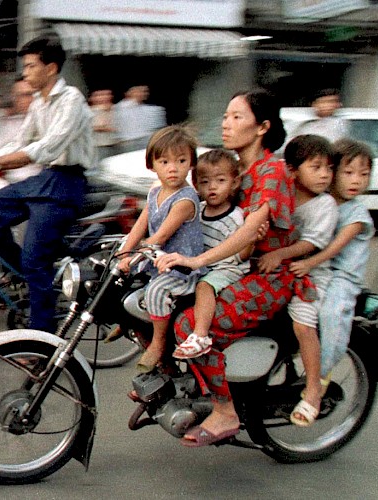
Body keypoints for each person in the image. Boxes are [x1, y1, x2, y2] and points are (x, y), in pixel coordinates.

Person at [155, 89, 315, 447]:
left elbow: (247, 231)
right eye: (226, 116)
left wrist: (197, 260)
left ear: (263, 127)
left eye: (237, 117)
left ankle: (225, 410)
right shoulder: (234, 169)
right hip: (237, 269)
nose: (226, 124)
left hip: (268, 277)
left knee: (189, 325)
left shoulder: (271, 171)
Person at [0, 35, 94, 332]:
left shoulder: (72, 100)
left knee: (36, 260)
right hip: (45, 180)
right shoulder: (39, 102)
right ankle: (25, 272)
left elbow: (48, 147)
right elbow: (21, 139)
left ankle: (42, 342)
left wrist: (1, 162)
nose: (25, 73)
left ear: (50, 68)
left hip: (67, 183)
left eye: (30, 66)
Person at [259, 134, 337, 426]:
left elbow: (313, 243)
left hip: (311, 274)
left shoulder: (324, 205)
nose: (324, 175)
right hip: (278, 269)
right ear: (292, 170)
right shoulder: (284, 193)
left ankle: (314, 389)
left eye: (328, 168)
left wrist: (280, 254)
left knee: (303, 324)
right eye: (316, 167)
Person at [117, 125, 204, 373]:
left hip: (180, 269)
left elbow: (160, 235)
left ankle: (158, 343)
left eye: (181, 160)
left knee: (155, 291)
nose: (173, 168)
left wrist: (135, 257)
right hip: (158, 262)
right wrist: (124, 252)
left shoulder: (186, 199)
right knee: (123, 285)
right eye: (164, 161)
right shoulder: (155, 192)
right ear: (152, 165)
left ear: (191, 163)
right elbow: (139, 227)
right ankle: (127, 323)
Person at [290, 139, 374, 382]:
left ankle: (321, 374)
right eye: (348, 173)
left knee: (331, 315)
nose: (356, 180)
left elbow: (335, 247)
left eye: (363, 174)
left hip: (343, 276)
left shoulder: (357, 214)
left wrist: (309, 263)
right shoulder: (321, 200)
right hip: (320, 269)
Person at [172, 149, 252, 359]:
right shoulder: (199, 209)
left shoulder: (236, 217)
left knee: (204, 286)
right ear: (196, 185)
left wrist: (252, 241)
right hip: (204, 265)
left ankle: (200, 335)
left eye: (220, 180)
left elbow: (241, 254)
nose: (212, 187)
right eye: (205, 182)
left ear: (234, 183)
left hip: (228, 267)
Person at [114, 85, 166, 154]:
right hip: (129, 142)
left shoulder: (152, 109)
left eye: (144, 91)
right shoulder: (119, 108)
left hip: (146, 141)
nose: (142, 94)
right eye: (138, 91)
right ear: (129, 93)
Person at [89, 89, 118, 162]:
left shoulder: (116, 109)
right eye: (100, 95)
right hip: (99, 146)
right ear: (93, 98)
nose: (105, 97)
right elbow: (93, 127)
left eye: (107, 94)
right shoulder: (90, 111)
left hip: (114, 144)